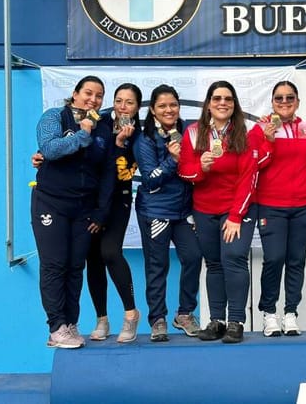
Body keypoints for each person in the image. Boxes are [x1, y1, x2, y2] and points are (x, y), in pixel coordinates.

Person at [32, 83, 144, 343]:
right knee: (54, 264)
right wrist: (81, 135)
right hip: (51, 202)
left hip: (85, 207)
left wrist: (101, 210)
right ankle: (57, 326)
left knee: (75, 266)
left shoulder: (105, 127)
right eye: (88, 94)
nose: (93, 99)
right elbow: (49, 149)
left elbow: (107, 172)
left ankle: (70, 323)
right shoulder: (55, 116)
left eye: (98, 96)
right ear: (75, 94)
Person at [179, 80, 258, 344]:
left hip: (236, 209)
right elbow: (185, 172)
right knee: (213, 264)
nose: (222, 103)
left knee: (234, 258)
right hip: (204, 210)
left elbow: (249, 177)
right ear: (209, 104)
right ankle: (217, 320)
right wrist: (201, 167)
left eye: (228, 99)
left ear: (234, 105)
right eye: (217, 98)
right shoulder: (193, 133)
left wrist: (236, 216)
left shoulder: (244, 134)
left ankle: (236, 321)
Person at [133, 84, 202, 342]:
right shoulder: (145, 139)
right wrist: (172, 160)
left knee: (194, 257)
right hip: (156, 212)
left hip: (183, 212)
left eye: (173, 104)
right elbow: (151, 180)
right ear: (152, 110)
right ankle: (158, 319)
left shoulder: (189, 132)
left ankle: (184, 314)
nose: (168, 110)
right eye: (162, 106)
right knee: (157, 265)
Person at [249, 81, 306, 337]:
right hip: (271, 205)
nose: (285, 102)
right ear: (273, 102)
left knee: (296, 260)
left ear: (297, 101)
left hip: (303, 205)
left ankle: (290, 313)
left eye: (290, 98)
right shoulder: (259, 129)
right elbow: (254, 163)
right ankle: (269, 313)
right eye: (279, 98)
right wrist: (267, 139)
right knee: (274, 259)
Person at [86, 83, 141, 343]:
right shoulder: (99, 123)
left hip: (118, 200)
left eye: (129, 102)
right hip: (91, 201)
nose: (122, 107)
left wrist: (120, 145)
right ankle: (102, 319)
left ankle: (131, 314)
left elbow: (123, 174)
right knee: (93, 258)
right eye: (118, 101)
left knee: (109, 252)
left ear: (137, 107)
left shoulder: (139, 133)